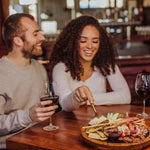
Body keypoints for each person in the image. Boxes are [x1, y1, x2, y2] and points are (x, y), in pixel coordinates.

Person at [49, 15, 131, 112]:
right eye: (83, 41)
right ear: (72, 42)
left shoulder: (105, 64)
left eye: (95, 41)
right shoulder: (60, 68)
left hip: (100, 123)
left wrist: (87, 99)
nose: (89, 46)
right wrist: (75, 96)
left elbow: (126, 96)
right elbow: (65, 104)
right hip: (71, 124)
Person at [0, 13, 58, 149]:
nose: (42, 38)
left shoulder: (39, 68)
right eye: (35, 34)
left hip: (40, 140)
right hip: (10, 146)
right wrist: (28, 116)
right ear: (18, 41)